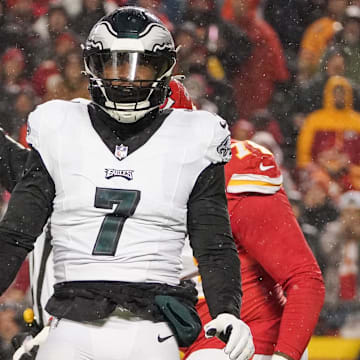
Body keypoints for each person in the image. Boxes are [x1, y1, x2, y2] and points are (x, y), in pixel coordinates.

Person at [0, 6, 254, 360]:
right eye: (117, 64)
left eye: (141, 66)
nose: (127, 79)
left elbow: (212, 244)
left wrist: (227, 309)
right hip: (71, 322)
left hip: (149, 328)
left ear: (163, 70)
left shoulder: (195, 136)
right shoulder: (60, 125)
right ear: (94, 65)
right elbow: (16, 234)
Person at [181, 139, 325, 360]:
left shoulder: (230, 170)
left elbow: (304, 278)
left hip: (242, 338)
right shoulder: (133, 165)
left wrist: (285, 355)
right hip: (174, 328)